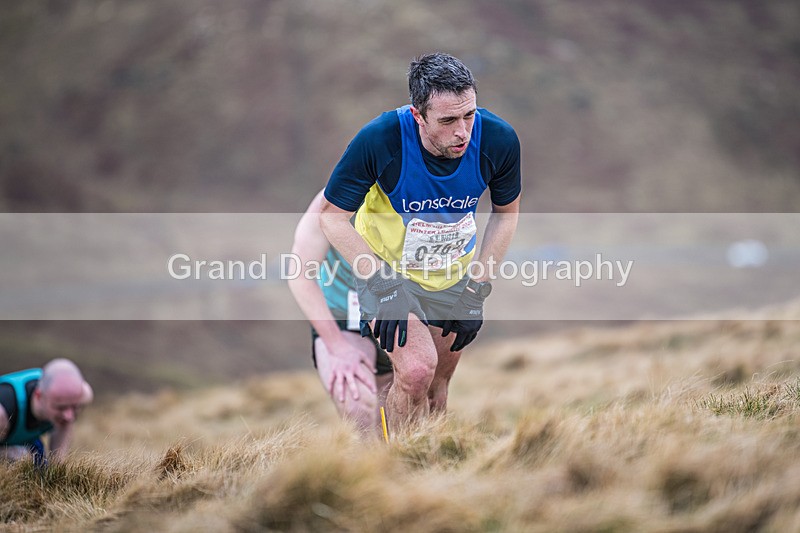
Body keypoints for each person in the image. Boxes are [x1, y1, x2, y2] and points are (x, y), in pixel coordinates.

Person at [319, 52, 521, 431]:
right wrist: (382, 283)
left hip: (452, 278)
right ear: (419, 116)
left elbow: (506, 214)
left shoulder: (498, 139)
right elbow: (331, 218)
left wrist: (477, 289)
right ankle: (400, 469)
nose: (462, 131)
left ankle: (432, 475)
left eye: (469, 115)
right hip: (387, 276)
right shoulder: (380, 140)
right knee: (414, 373)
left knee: (437, 389)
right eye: (447, 121)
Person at [288, 190, 394, 436]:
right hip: (343, 316)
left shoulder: (416, 190)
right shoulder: (330, 200)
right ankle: (369, 472)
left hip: (400, 312)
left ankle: (406, 468)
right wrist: (338, 347)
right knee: (357, 406)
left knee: (399, 420)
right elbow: (300, 276)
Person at [0, 358, 93, 465]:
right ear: (39, 396)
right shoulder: (3, 412)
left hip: (29, 440)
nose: (69, 416)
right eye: (60, 408)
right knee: (23, 457)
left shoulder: (82, 395)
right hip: (9, 442)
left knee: (41, 467)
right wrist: (7, 453)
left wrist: (58, 467)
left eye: (74, 406)